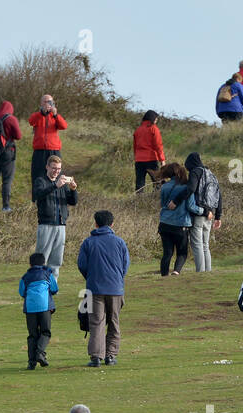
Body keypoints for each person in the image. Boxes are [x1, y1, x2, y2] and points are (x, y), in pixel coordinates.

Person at [77, 210, 131, 368]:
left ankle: (96, 357)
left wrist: (91, 277)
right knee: (114, 321)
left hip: (95, 288)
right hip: (115, 288)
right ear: (112, 224)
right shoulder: (120, 242)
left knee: (96, 322)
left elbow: (82, 265)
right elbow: (125, 265)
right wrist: (118, 278)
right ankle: (111, 355)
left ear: (96, 223)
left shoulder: (88, 242)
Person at [33, 155, 78, 280]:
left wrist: (73, 189)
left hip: (61, 225)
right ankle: (39, 285)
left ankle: (52, 287)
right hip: (46, 224)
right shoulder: (40, 181)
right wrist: (55, 186)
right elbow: (38, 194)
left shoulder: (63, 184)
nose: (56, 171)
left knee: (56, 260)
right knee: (41, 259)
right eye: (53, 168)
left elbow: (73, 202)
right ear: (47, 167)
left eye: (58, 169)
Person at [158, 163, 200, 276]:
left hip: (164, 223)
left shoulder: (164, 186)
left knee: (167, 252)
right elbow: (191, 207)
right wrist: (203, 211)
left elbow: (162, 204)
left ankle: (164, 274)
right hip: (181, 224)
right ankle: (176, 271)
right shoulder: (186, 188)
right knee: (182, 253)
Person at [183, 152, 222, 272]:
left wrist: (178, 199)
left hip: (199, 213)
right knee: (205, 246)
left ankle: (200, 272)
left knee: (197, 245)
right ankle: (207, 271)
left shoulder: (195, 172)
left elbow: (191, 189)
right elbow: (219, 195)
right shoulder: (210, 173)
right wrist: (218, 216)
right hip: (210, 214)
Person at [19, 252, 58, 371]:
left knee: (32, 335)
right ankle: (40, 353)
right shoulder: (47, 274)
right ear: (43, 262)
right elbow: (54, 289)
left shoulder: (25, 277)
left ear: (30, 264)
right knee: (45, 332)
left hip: (30, 309)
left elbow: (22, 292)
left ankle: (31, 363)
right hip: (45, 307)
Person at [0, 100, 24, 211]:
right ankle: (6, 206)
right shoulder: (11, 119)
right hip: (7, 153)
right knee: (6, 180)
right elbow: (18, 136)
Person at [28, 94, 68, 185]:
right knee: (38, 174)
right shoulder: (37, 115)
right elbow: (31, 121)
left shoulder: (55, 116)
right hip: (39, 151)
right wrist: (41, 113)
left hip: (53, 150)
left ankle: (55, 195)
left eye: (50, 102)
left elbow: (64, 126)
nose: (47, 104)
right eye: (45, 102)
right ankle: (37, 197)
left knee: (55, 174)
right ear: (41, 103)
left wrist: (55, 115)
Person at [133, 110, 166, 192]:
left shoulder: (138, 130)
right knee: (158, 182)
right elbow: (158, 145)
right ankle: (155, 201)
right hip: (151, 159)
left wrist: (137, 157)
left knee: (139, 184)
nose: (156, 120)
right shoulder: (154, 129)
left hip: (139, 160)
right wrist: (162, 160)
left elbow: (135, 146)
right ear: (152, 119)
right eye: (156, 119)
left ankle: (138, 202)